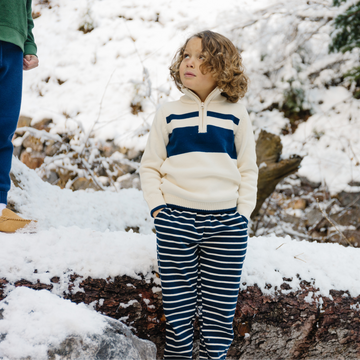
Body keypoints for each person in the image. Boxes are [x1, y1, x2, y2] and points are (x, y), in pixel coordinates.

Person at [140, 30, 258, 359]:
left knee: (220, 313)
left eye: (202, 57)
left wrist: (242, 215)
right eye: (187, 56)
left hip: (226, 225)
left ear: (222, 67)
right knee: (178, 310)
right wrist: (159, 211)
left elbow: (249, 168)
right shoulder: (168, 112)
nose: (189, 62)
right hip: (175, 219)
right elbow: (150, 166)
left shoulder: (237, 113)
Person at [0, 0, 39, 233]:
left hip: (13, 49)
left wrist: (29, 45)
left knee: (5, 128)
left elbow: (26, 11)